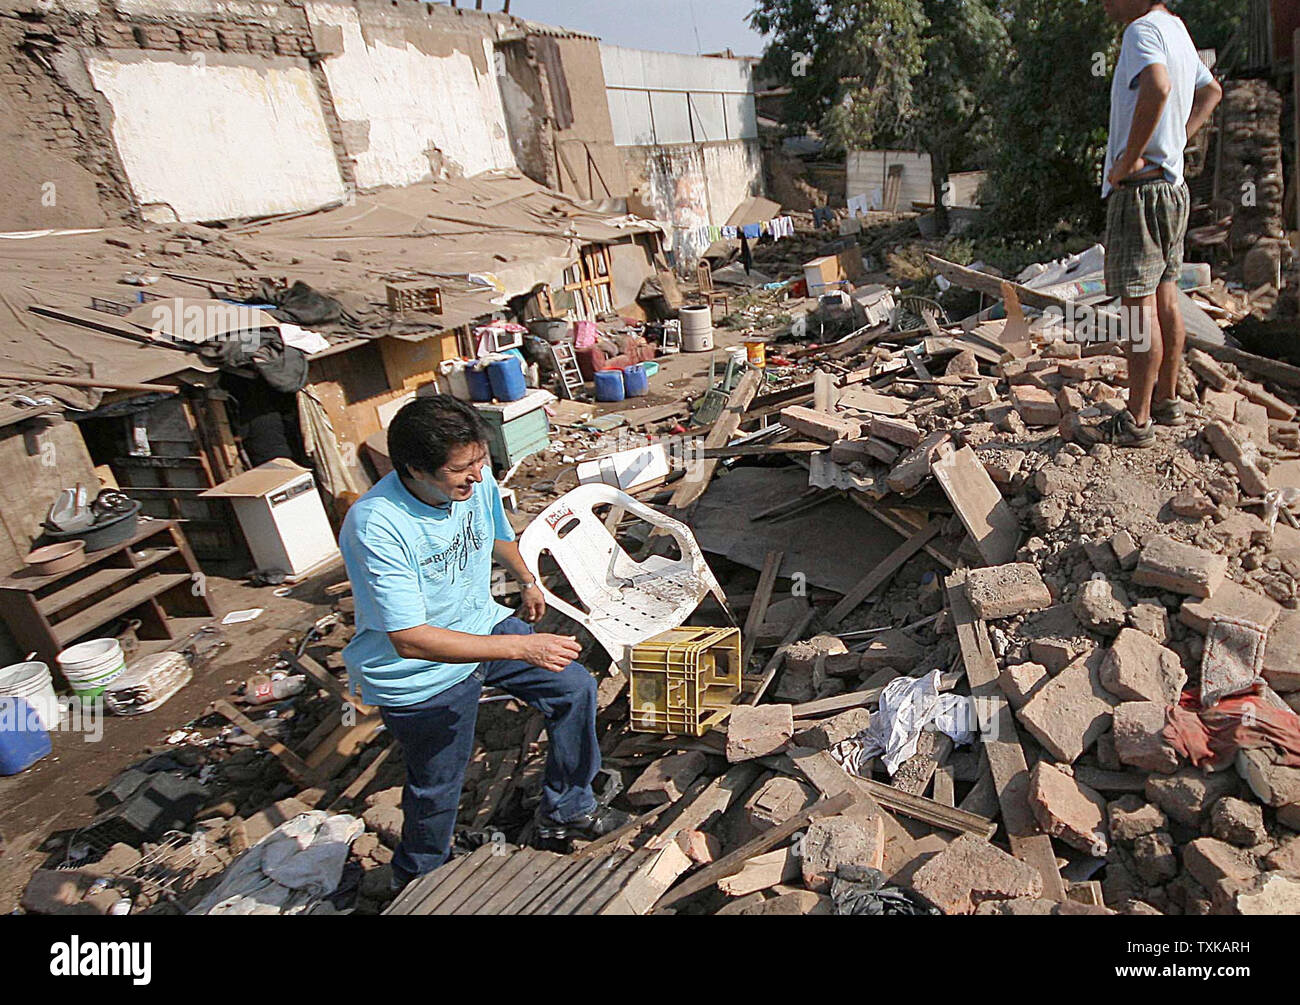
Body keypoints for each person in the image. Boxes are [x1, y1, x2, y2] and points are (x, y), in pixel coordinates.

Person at [339, 395, 627, 891]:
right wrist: (523, 648)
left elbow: (495, 532)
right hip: (418, 672)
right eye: (460, 470)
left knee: (574, 688)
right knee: (437, 786)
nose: (476, 477)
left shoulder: (476, 478)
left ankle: (568, 807)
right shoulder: (377, 525)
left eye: (479, 462)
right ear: (415, 469)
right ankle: (417, 879)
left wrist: (527, 579)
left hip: (481, 623)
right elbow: (410, 639)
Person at [1092, 0, 1222, 447]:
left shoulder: (1141, 31)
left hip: (1141, 190)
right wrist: (1178, 139)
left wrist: (1126, 160)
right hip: (1172, 188)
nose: (1105, 4)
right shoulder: (1177, 30)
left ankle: (1136, 419)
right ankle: (1166, 401)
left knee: (1136, 307)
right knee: (1167, 294)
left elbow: (1159, 86)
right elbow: (1212, 92)